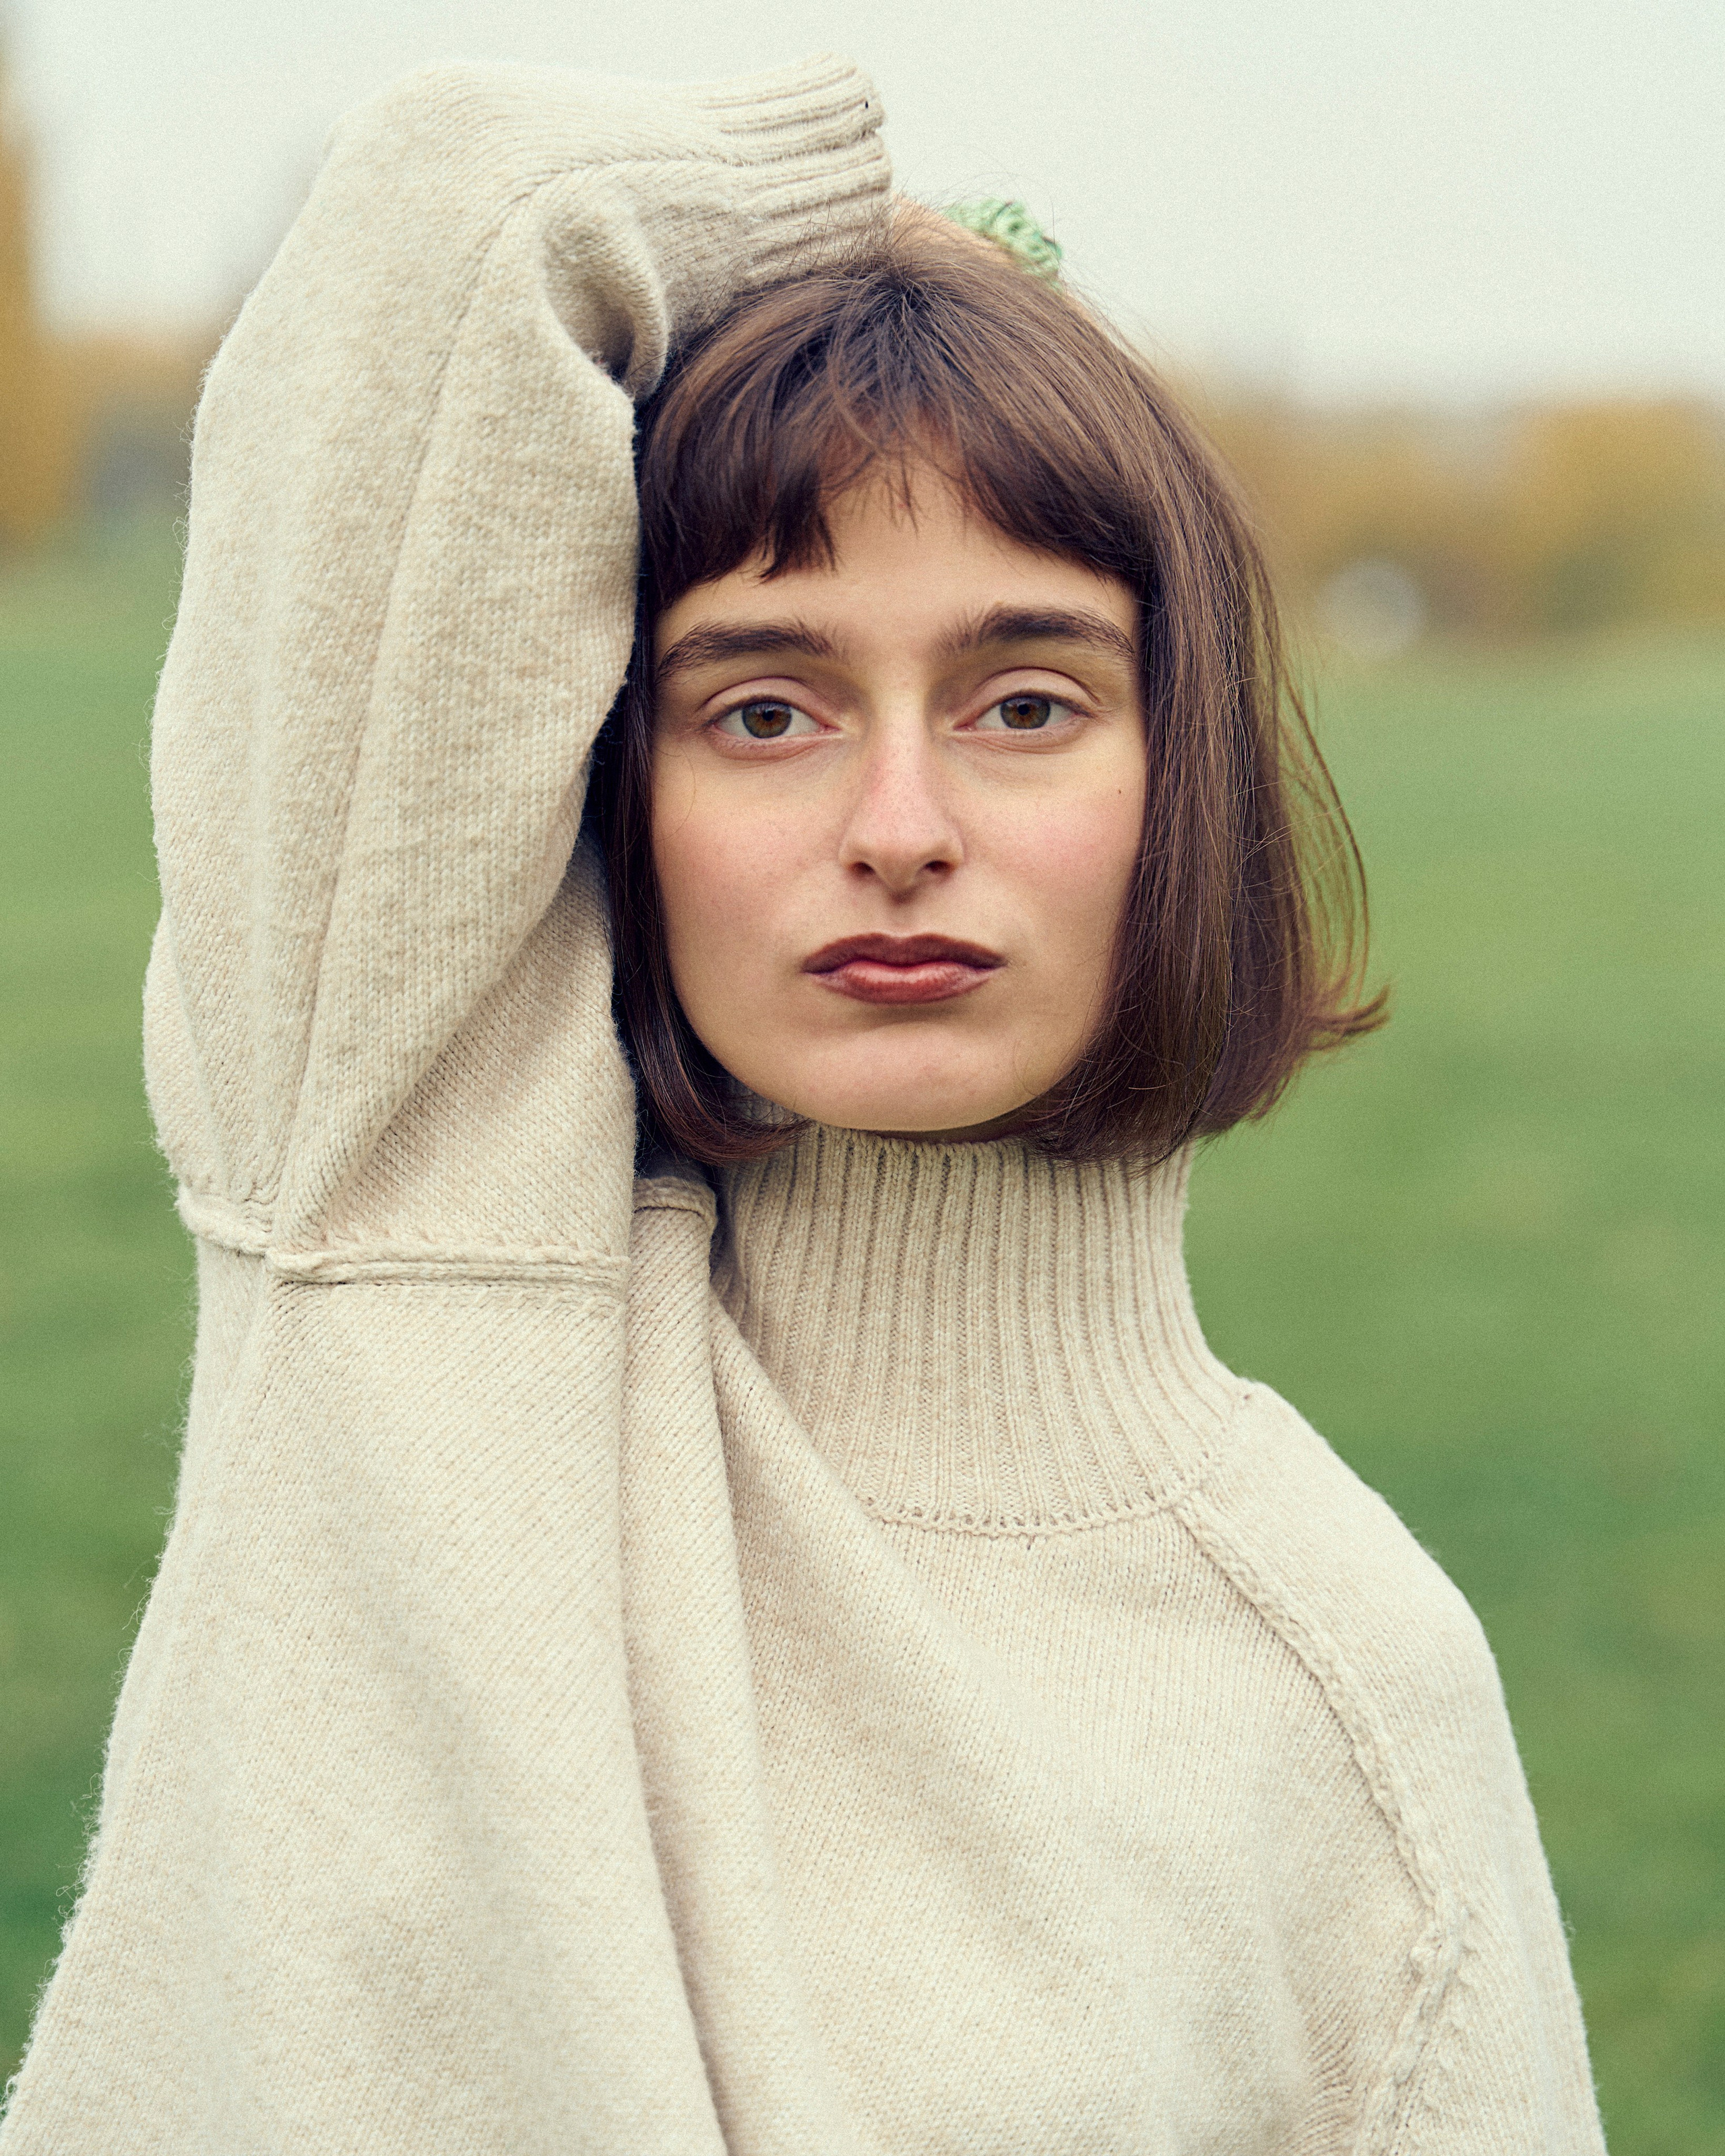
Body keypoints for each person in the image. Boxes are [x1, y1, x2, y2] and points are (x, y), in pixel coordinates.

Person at [0, 53, 1606, 2156]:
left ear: (1182, 782)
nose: (901, 824)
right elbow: (464, 207)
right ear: (620, 789)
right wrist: (894, 244)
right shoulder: (409, 1211)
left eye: (1026, 702)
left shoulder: (1347, 1682)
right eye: (766, 708)